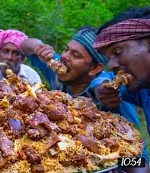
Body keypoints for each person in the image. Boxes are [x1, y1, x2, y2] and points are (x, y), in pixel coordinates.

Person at [22, 26, 149, 167]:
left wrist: (109, 162)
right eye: (66, 49)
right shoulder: (58, 72)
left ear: (95, 68)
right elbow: (24, 45)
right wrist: (39, 47)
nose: (64, 56)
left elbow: (140, 160)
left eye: (76, 55)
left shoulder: (113, 97)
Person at [93, 7, 150, 135]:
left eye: (117, 52)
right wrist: (100, 88)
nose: (111, 65)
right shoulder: (144, 91)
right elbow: (102, 78)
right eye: (108, 59)